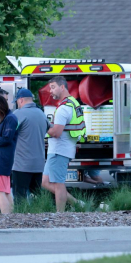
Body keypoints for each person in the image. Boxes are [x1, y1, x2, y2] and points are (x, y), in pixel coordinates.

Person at [41, 76, 86, 212]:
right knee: (45, 182)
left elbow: (56, 133)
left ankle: (60, 215)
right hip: (60, 150)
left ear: (62, 87)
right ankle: (78, 204)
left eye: (53, 87)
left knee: (58, 183)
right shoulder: (72, 103)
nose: (51, 91)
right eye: (50, 88)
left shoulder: (63, 108)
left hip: (59, 150)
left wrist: (43, 126)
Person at [11, 88, 50, 203]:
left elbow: (7, 133)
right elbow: (50, 129)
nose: (17, 104)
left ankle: (21, 218)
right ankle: (40, 215)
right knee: (38, 194)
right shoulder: (41, 114)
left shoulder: (18, 114)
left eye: (17, 101)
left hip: (21, 164)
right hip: (38, 164)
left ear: (21, 100)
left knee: (19, 196)